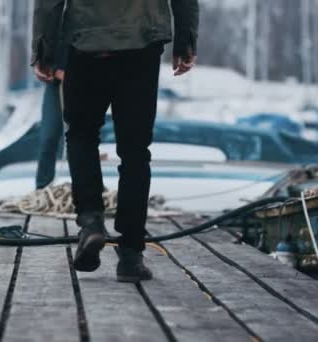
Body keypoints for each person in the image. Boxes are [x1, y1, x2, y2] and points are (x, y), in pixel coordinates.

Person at [32, 0, 198, 282]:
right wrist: (186, 41)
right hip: (141, 42)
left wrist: (44, 51)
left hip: (87, 43)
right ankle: (131, 253)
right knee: (135, 150)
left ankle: (91, 221)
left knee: (82, 137)